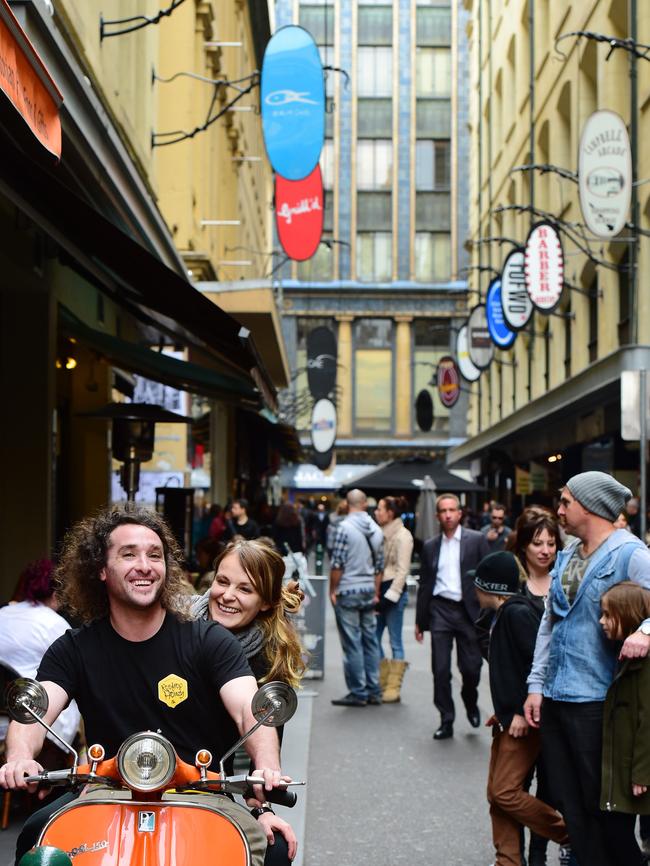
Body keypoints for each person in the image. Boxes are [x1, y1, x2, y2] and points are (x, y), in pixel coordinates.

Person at [0, 506, 288, 866]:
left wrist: (267, 767)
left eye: (155, 555)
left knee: (274, 853)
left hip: (199, 791)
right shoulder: (74, 648)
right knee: (36, 839)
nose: (145, 564)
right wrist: (20, 757)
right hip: (104, 790)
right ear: (101, 570)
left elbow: (250, 708)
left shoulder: (209, 639)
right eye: (128, 554)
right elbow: (36, 708)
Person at [524, 471, 650, 866]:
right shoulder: (567, 554)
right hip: (558, 699)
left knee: (606, 815)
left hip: (600, 704)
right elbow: (550, 622)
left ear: (589, 505)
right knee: (572, 810)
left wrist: (646, 630)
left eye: (565, 502)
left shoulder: (630, 553)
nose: (558, 510)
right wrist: (535, 684)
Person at [190, 539, 305, 864]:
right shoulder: (174, 625)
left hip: (212, 784)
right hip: (147, 771)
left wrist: (263, 807)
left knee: (276, 849)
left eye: (245, 589)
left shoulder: (267, 665)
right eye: (222, 582)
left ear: (266, 602)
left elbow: (262, 753)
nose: (227, 595)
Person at [474, 551, 569, 866]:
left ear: (489, 587)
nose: (474, 590)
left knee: (504, 792)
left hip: (523, 720)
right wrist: (503, 709)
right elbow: (510, 669)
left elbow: (536, 665)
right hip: (509, 716)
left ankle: (573, 833)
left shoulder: (517, 614)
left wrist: (516, 710)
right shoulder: (505, 613)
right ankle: (508, 860)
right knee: (496, 794)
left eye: (477, 584)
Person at [509, 507, 564, 866]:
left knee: (552, 786)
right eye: (537, 543)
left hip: (559, 701)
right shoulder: (513, 586)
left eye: (551, 543)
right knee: (514, 787)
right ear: (524, 546)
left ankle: (540, 856)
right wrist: (511, 704)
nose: (545, 550)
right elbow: (492, 643)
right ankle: (517, 857)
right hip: (520, 701)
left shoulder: (565, 580)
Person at [415, 493, 490, 739]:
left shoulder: (476, 540)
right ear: (438, 516)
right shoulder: (430, 546)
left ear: (460, 513)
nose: (448, 514)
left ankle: (470, 699)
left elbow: (486, 577)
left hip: (468, 611)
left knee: (471, 668)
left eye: (452, 510)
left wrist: (489, 615)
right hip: (440, 610)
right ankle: (446, 719)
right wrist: (420, 620)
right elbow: (425, 584)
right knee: (441, 669)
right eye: (443, 511)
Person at [0, 559, 81, 754]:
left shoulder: (4, 613)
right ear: (56, 593)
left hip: (3, 713)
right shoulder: (54, 623)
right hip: (37, 726)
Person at [599, 582, 650, 863]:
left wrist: (642, 773)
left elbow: (648, 719)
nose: (601, 621)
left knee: (617, 833)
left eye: (608, 614)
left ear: (628, 614)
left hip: (637, 769)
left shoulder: (644, 660)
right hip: (626, 764)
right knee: (614, 830)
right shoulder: (624, 654)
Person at [329, 489, 384, 707]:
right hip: (369, 590)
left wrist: (333, 589)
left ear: (348, 503)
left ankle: (358, 692)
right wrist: (376, 591)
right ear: (364, 503)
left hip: (348, 590)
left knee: (352, 643)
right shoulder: (377, 529)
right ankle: (374, 690)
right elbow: (379, 567)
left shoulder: (343, 528)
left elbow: (337, 564)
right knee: (370, 641)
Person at [373, 495, 413, 703]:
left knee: (395, 640)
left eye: (380, 509)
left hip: (394, 592)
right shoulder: (379, 533)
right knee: (373, 636)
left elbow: (402, 571)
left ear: (390, 513)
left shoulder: (403, 536)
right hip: (380, 590)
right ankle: (382, 680)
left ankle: (393, 687)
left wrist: (388, 598)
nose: (376, 512)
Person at [271, 503, 307, 583]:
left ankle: (287, 595)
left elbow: (275, 538)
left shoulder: (278, 522)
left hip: (283, 555)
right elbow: (301, 537)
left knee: (284, 580)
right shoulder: (298, 521)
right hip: (297, 553)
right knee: (301, 580)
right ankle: (298, 595)